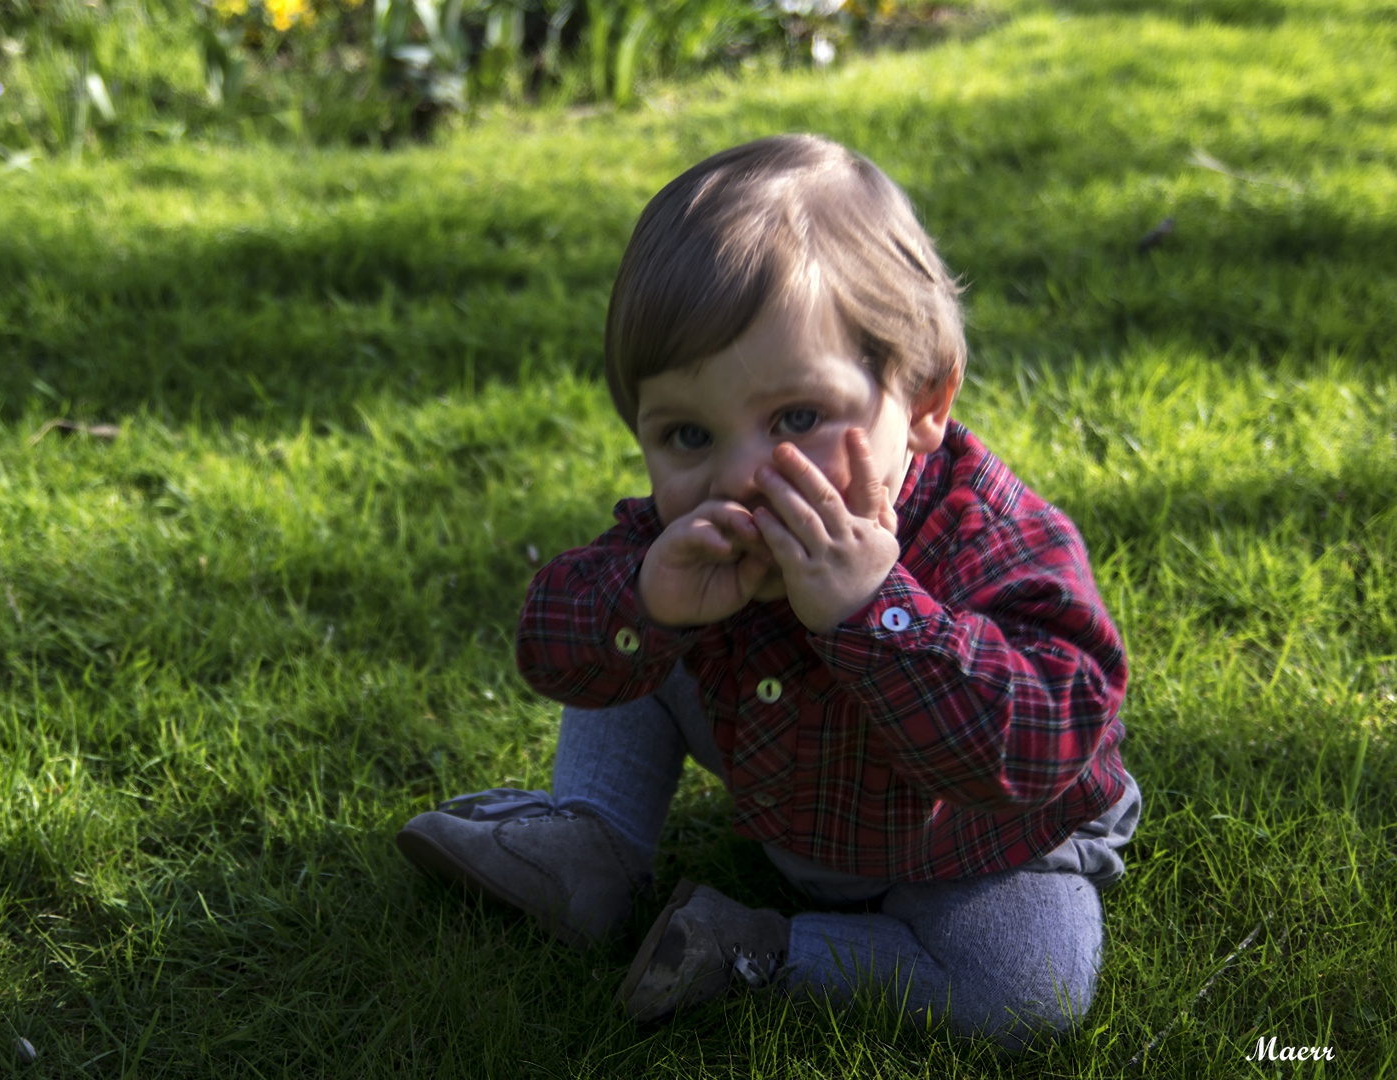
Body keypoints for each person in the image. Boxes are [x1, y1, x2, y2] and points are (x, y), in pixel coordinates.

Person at [395, 134, 1140, 1049]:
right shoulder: (694, 540)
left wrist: (879, 613)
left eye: (797, 418)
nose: (741, 475)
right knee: (637, 627)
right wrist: (645, 598)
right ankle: (592, 840)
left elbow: (1039, 747)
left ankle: (757, 947)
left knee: (1025, 993)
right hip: (797, 786)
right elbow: (550, 645)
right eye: (688, 435)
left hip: (961, 845)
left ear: (924, 405)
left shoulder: (995, 541)